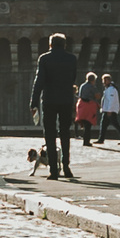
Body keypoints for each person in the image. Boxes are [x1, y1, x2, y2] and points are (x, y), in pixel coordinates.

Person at [31, 33, 78, 180]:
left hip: (49, 100)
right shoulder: (72, 59)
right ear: (64, 45)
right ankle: (66, 166)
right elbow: (73, 78)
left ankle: (53, 170)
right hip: (66, 100)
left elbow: (39, 81)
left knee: (50, 135)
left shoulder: (44, 59)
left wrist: (33, 102)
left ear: (50, 45)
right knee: (65, 133)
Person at [74, 72, 102, 146]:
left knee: (85, 124)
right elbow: (97, 96)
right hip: (89, 107)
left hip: (82, 106)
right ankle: (86, 141)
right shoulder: (92, 87)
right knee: (88, 125)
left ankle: (85, 140)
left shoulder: (82, 86)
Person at [99, 73, 120, 144]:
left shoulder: (111, 89)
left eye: (104, 80)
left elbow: (111, 100)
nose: (103, 82)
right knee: (103, 124)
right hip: (106, 110)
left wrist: (109, 110)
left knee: (115, 124)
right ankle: (101, 139)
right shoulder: (108, 89)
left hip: (110, 110)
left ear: (108, 80)